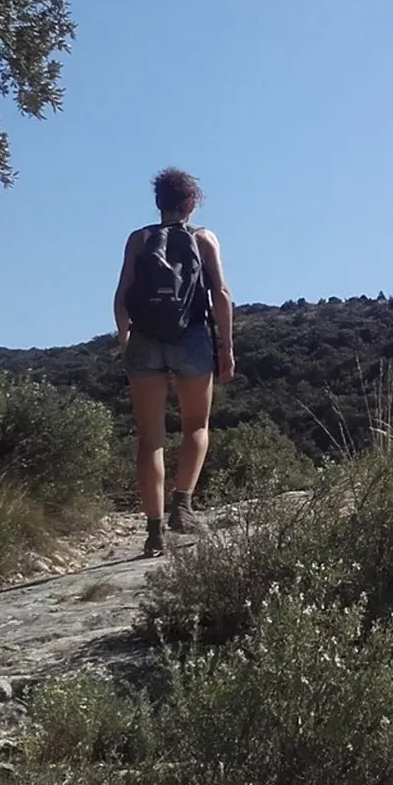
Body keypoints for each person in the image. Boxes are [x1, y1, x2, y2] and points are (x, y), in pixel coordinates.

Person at [113, 167, 235, 557]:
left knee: (150, 439)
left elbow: (121, 297)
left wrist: (124, 340)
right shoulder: (204, 238)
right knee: (196, 424)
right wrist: (227, 346)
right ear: (191, 202)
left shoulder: (139, 239)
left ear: (158, 203)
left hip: (145, 341)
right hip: (193, 338)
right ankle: (183, 507)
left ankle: (154, 533)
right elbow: (222, 295)